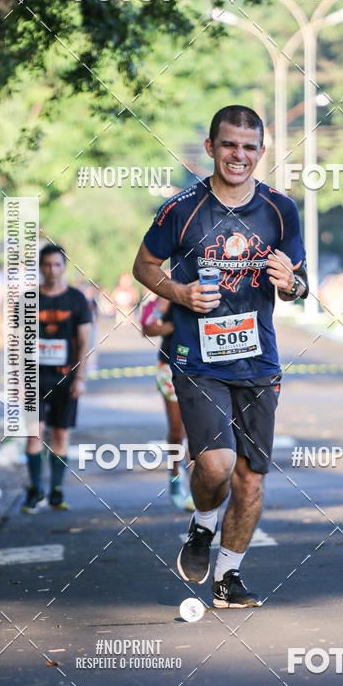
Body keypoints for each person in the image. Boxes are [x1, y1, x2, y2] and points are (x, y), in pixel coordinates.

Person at [133, 104, 308, 608]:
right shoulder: (182, 208)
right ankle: (202, 524)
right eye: (229, 144)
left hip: (259, 363)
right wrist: (180, 294)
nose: (239, 155)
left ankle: (228, 579)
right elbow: (144, 265)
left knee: (250, 478)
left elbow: (299, 281)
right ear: (211, 148)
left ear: (261, 153)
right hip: (197, 358)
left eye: (249, 147)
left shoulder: (280, 210)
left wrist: (290, 284)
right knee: (216, 464)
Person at [21, 244, 91, 513]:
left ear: (64, 267)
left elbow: (85, 342)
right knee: (34, 434)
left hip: (65, 378)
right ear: (40, 267)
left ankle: (56, 491)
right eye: (47, 265)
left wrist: (80, 378)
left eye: (57, 265)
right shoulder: (29, 300)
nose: (52, 270)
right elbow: (17, 342)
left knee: (60, 434)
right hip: (34, 378)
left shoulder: (76, 299)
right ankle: (35, 488)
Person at [140, 293, 194, 511]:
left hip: (201, 367)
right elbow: (147, 327)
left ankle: (195, 491)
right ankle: (174, 478)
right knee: (176, 431)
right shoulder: (171, 287)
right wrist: (173, 327)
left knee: (195, 430)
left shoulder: (209, 281)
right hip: (170, 366)